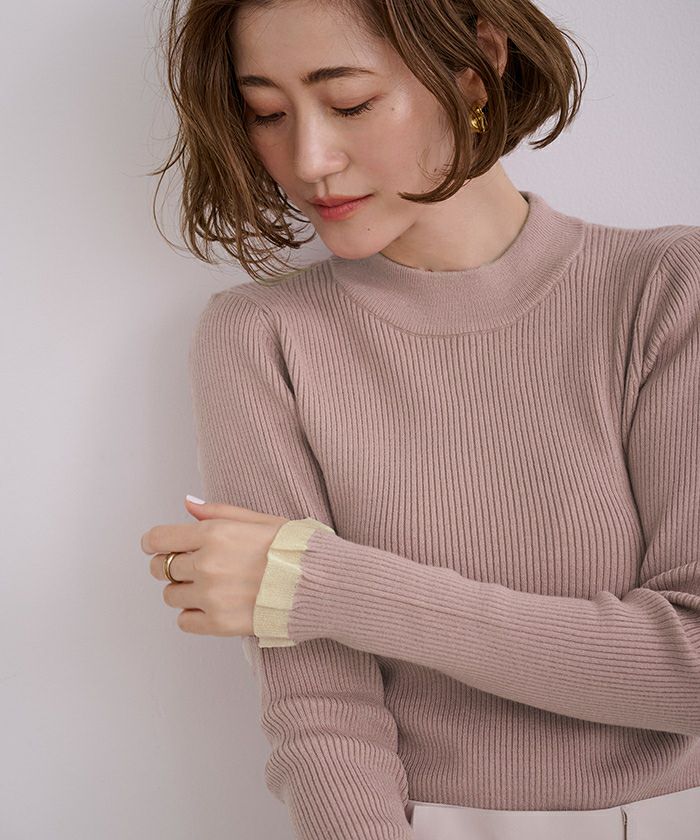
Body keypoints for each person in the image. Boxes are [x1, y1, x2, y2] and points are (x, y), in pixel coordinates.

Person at [150, 1, 700, 837]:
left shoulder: (665, 289)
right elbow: (322, 717)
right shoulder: (259, 337)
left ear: (474, 69)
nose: (309, 159)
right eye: (266, 112)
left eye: (350, 103)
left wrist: (323, 583)